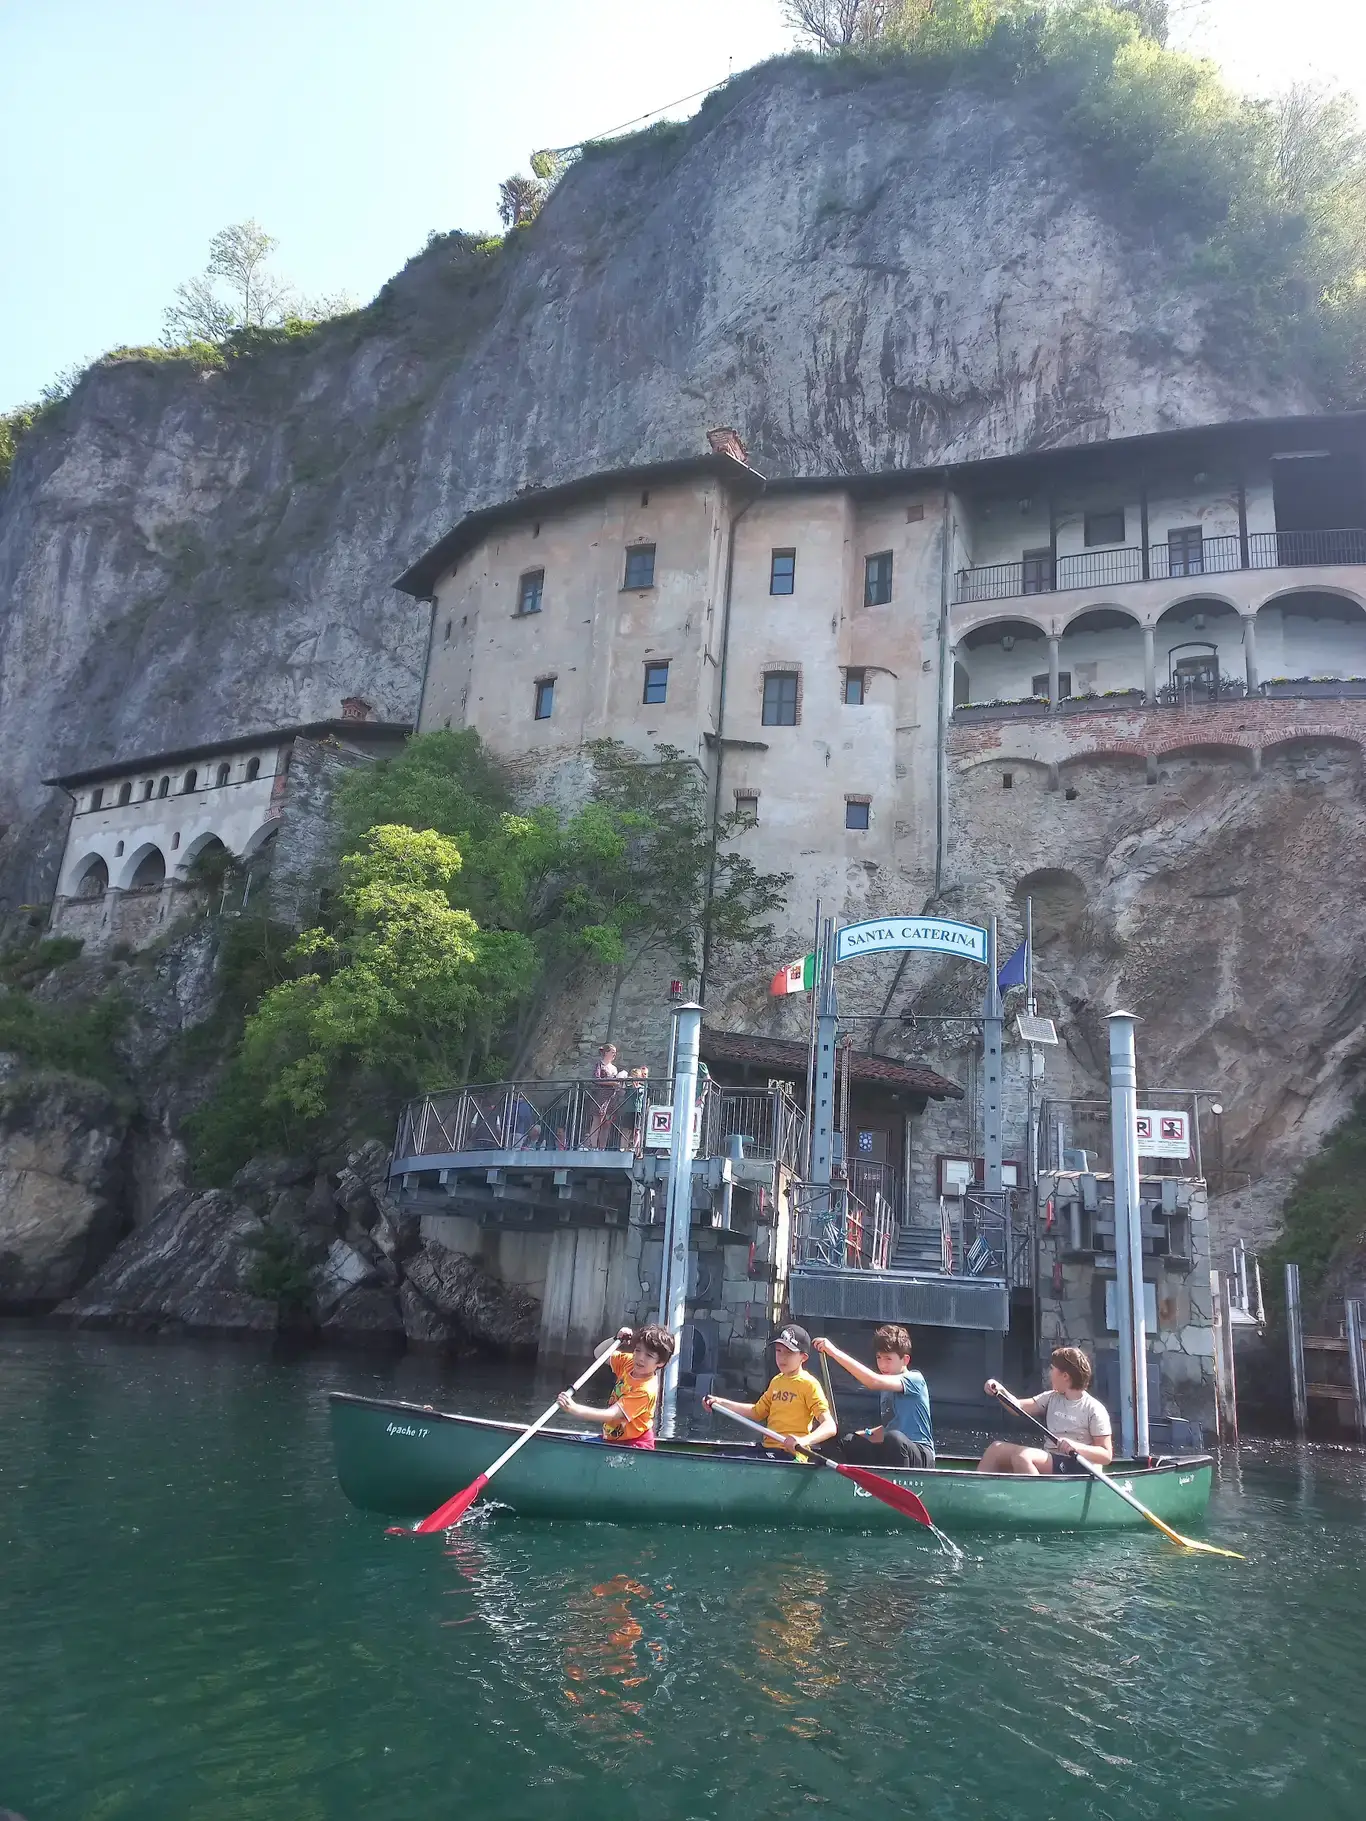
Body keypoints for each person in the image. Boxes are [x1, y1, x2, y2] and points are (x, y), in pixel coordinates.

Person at [704, 1324, 837, 1462]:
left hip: (791, 1454)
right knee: (720, 1455)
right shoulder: (776, 1381)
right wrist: (720, 1403)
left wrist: (802, 1441)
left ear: (803, 1357)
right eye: (779, 1351)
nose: (782, 1357)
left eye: (789, 1352)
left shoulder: (809, 1384)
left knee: (735, 1461)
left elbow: (830, 1426)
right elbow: (756, 1412)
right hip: (769, 1449)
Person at [975, 1345, 1113, 1475]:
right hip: (1052, 1460)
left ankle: (1038, 1498)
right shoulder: (1051, 1397)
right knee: (995, 1449)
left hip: (1077, 1465)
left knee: (1023, 1457)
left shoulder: (1094, 1409)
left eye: (1052, 1369)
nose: (1049, 1373)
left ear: (1065, 1376)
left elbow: (1106, 1455)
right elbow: (1018, 1407)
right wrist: (999, 1390)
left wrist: (1075, 1446)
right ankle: (976, 1495)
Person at [814, 1325, 936, 1469]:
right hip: (893, 1450)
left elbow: (873, 1381)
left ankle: (900, 1487)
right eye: (879, 1358)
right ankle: (840, 1484)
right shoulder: (886, 1389)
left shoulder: (915, 1379)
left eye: (888, 1359)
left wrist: (833, 1352)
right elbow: (886, 1429)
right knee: (839, 1438)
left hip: (920, 1455)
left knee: (894, 1439)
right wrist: (856, 1435)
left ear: (905, 1360)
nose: (882, 1364)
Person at [557, 1324, 675, 1449]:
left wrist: (574, 1408)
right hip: (613, 1439)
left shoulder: (645, 1390)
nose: (640, 1358)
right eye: (638, 1350)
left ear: (660, 1363)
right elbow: (599, 1354)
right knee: (571, 1442)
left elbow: (610, 1414)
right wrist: (615, 1339)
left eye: (649, 1356)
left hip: (634, 1445)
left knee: (575, 1446)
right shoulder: (629, 1363)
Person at [587, 1042, 625, 1148]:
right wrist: (611, 1082)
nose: (614, 1055)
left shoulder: (614, 1068)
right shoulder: (599, 1064)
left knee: (607, 1122)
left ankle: (602, 1147)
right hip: (600, 1095)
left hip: (611, 1096)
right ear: (606, 1053)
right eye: (612, 1052)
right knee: (597, 1119)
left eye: (615, 1053)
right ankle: (593, 1145)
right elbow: (596, 1079)